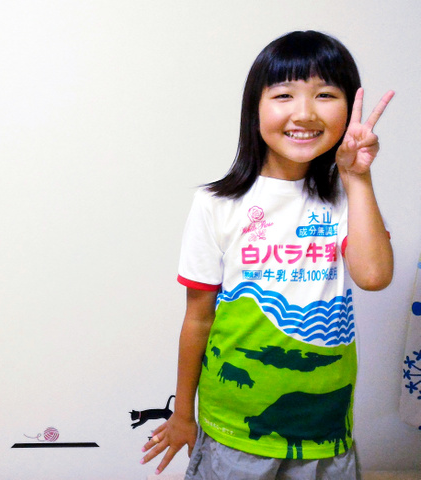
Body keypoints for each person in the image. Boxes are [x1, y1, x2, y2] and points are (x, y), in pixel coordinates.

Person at [141, 30, 394, 479]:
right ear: (254, 109)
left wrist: (357, 179)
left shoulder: (349, 200)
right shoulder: (216, 204)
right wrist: (183, 414)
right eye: (283, 94)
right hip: (232, 430)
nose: (305, 112)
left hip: (324, 431)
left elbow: (374, 276)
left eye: (325, 94)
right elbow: (198, 319)